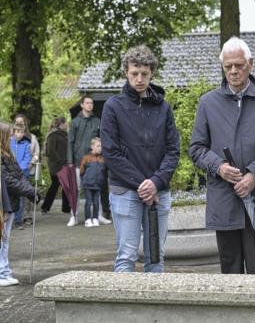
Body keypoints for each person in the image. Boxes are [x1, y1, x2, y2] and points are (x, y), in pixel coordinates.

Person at [189, 36, 255, 275]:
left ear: (250, 64)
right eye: (228, 66)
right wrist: (219, 167)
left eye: (239, 65)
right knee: (229, 272)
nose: (233, 71)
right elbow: (197, 148)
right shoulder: (208, 103)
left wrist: (253, 174)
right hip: (224, 198)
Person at [101, 45, 180, 272]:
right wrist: (143, 185)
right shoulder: (113, 107)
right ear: (126, 72)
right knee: (126, 256)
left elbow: (173, 150)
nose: (139, 79)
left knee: (156, 258)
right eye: (134, 73)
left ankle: (155, 308)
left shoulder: (163, 108)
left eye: (144, 74)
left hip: (159, 191)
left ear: (151, 73)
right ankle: (124, 309)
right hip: (125, 190)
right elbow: (111, 152)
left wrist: (155, 183)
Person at [0, 121, 37, 287]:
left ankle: (5, 271)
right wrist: (28, 191)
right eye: (9, 135)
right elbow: (8, 181)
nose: (12, 138)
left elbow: (19, 177)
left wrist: (31, 191)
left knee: (5, 239)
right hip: (3, 203)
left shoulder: (8, 155)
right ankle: (1, 272)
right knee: (2, 239)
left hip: (11, 202)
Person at [67, 95, 111, 226]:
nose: (89, 105)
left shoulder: (98, 121)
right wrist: (69, 161)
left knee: (98, 187)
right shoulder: (74, 122)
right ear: (82, 105)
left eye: (91, 103)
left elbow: (102, 140)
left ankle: (99, 215)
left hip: (95, 161)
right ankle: (73, 216)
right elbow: (70, 142)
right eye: (87, 103)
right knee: (76, 189)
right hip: (78, 160)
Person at [14, 114, 40, 225]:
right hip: (14, 170)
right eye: (17, 122)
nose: (20, 124)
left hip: (27, 169)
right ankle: (16, 217)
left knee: (26, 192)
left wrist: (31, 162)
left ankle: (27, 215)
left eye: (22, 122)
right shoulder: (11, 138)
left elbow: (36, 153)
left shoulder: (32, 138)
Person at [41, 117, 71, 214]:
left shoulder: (64, 135)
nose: (67, 125)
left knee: (65, 185)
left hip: (64, 164)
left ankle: (65, 208)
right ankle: (45, 207)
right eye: (66, 123)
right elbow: (51, 151)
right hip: (56, 166)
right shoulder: (53, 135)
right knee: (55, 185)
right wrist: (61, 161)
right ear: (61, 124)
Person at [80, 137, 106, 228]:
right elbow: (82, 171)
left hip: (98, 184)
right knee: (88, 202)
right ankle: (87, 219)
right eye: (98, 146)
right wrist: (85, 180)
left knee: (96, 202)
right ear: (92, 147)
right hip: (88, 184)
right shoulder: (86, 158)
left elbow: (103, 171)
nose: (100, 148)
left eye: (101, 146)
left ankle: (95, 218)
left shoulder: (102, 159)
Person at [10, 124, 31, 230]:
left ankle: (18, 221)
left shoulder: (26, 144)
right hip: (10, 174)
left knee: (21, 199)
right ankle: (9, 220)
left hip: (21, 174)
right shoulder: (9, 142)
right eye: (18, 132)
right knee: (9, 198)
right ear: (13, 132)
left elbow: (27, 159)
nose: (20, 134)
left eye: (22, 132)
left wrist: (19, 169)